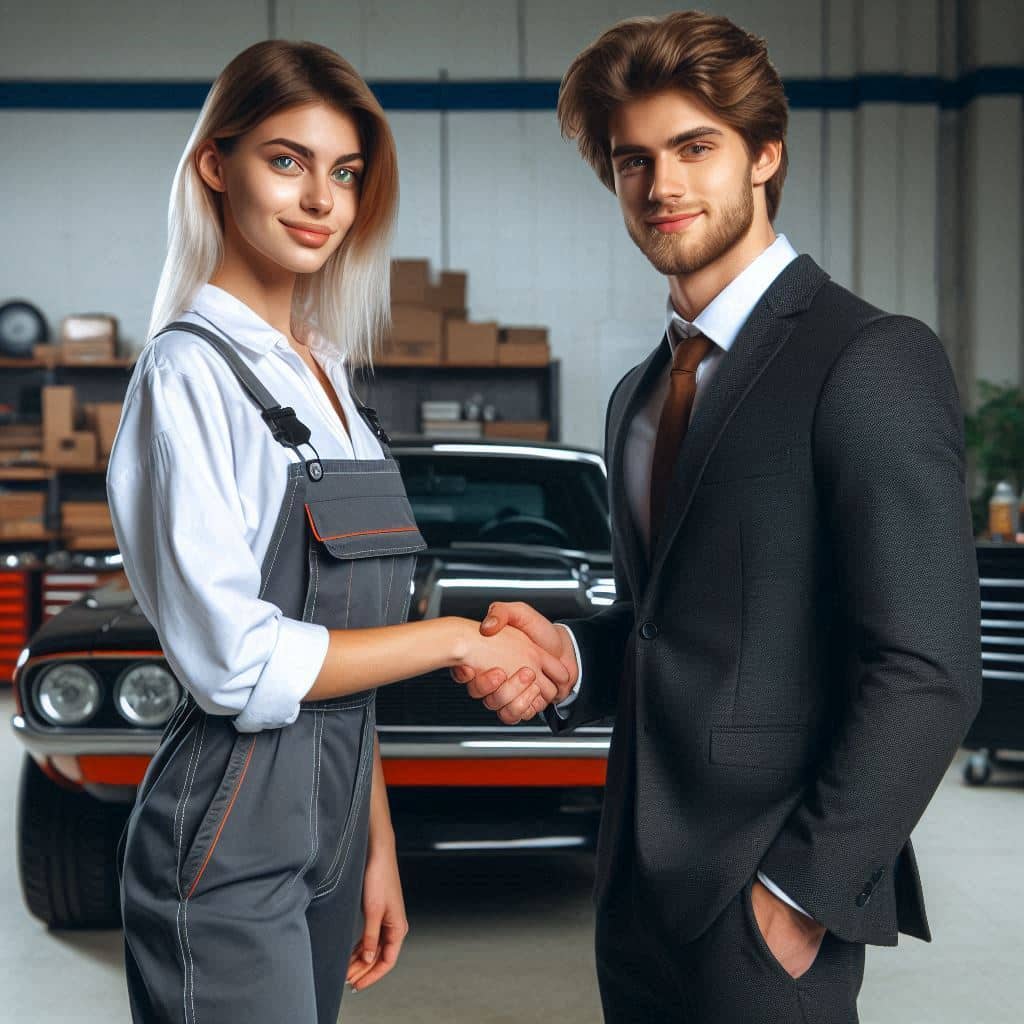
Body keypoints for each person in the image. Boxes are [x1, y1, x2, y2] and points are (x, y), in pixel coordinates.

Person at [455, 11, 982, 1022]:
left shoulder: (867, 358)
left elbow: (929, 667)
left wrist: (797, 896)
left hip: (764, 901)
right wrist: (573, 656)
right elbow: (673, 628)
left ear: (764, 155)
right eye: (633, 160)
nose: (662, 186)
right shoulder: (639, 394)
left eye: (695, 148)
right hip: (633, 889)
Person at [107, 39, 566, 1024]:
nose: (320, 198)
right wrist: (457, 640)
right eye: (288, 161)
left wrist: (373, 848)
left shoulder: (324, 376)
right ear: (215, 165)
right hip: (226, 835)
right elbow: (237, 664)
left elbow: (345, 660)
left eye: (345, 173)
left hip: (335, 828)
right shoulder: (188, 375)